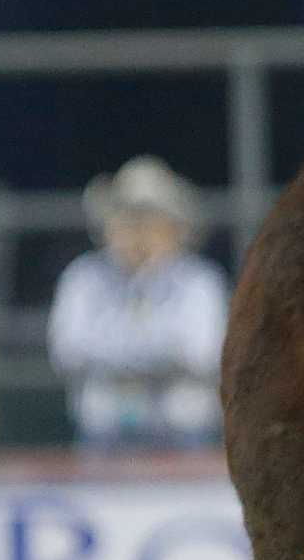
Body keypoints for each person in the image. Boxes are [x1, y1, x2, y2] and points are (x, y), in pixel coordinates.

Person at [49, 155, 228, 450]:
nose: (138, 232)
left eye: (150, 220)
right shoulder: (83, 277)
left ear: (175, 228)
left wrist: (115, 354)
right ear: (109, 226)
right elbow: (67, 350)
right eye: (128, 219)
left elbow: (203, 353)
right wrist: (159, 355)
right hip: (103, 435)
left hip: (183, 436)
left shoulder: (199, 281)